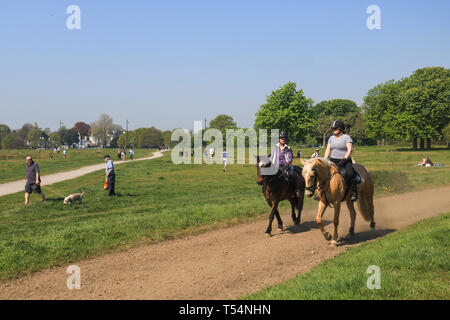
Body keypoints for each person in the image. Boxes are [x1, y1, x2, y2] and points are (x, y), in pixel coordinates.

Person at [324, 120, 357, 201]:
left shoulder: (346, 137)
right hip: (333, 160)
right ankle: (320, 193)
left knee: (350, 173)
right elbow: (328, 149)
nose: (333, 130)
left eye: (335, 129)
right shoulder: (331, 138)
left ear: (341, 129)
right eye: (333, 129)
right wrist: (325, 159)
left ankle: (353, 192)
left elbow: (349, 151)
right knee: (323, 173)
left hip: (345, 160)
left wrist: (343, 160)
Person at [270, 132, 302, 197]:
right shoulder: (275, 147)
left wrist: (288, 163)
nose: (283, 140)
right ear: (279, 139)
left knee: (291, 174)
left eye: (284, 138)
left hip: (285, 165)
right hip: (276, 165)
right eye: (281, 138)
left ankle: (296, 189)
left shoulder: (288, 148)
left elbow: (290, 158)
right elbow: (272, 157)